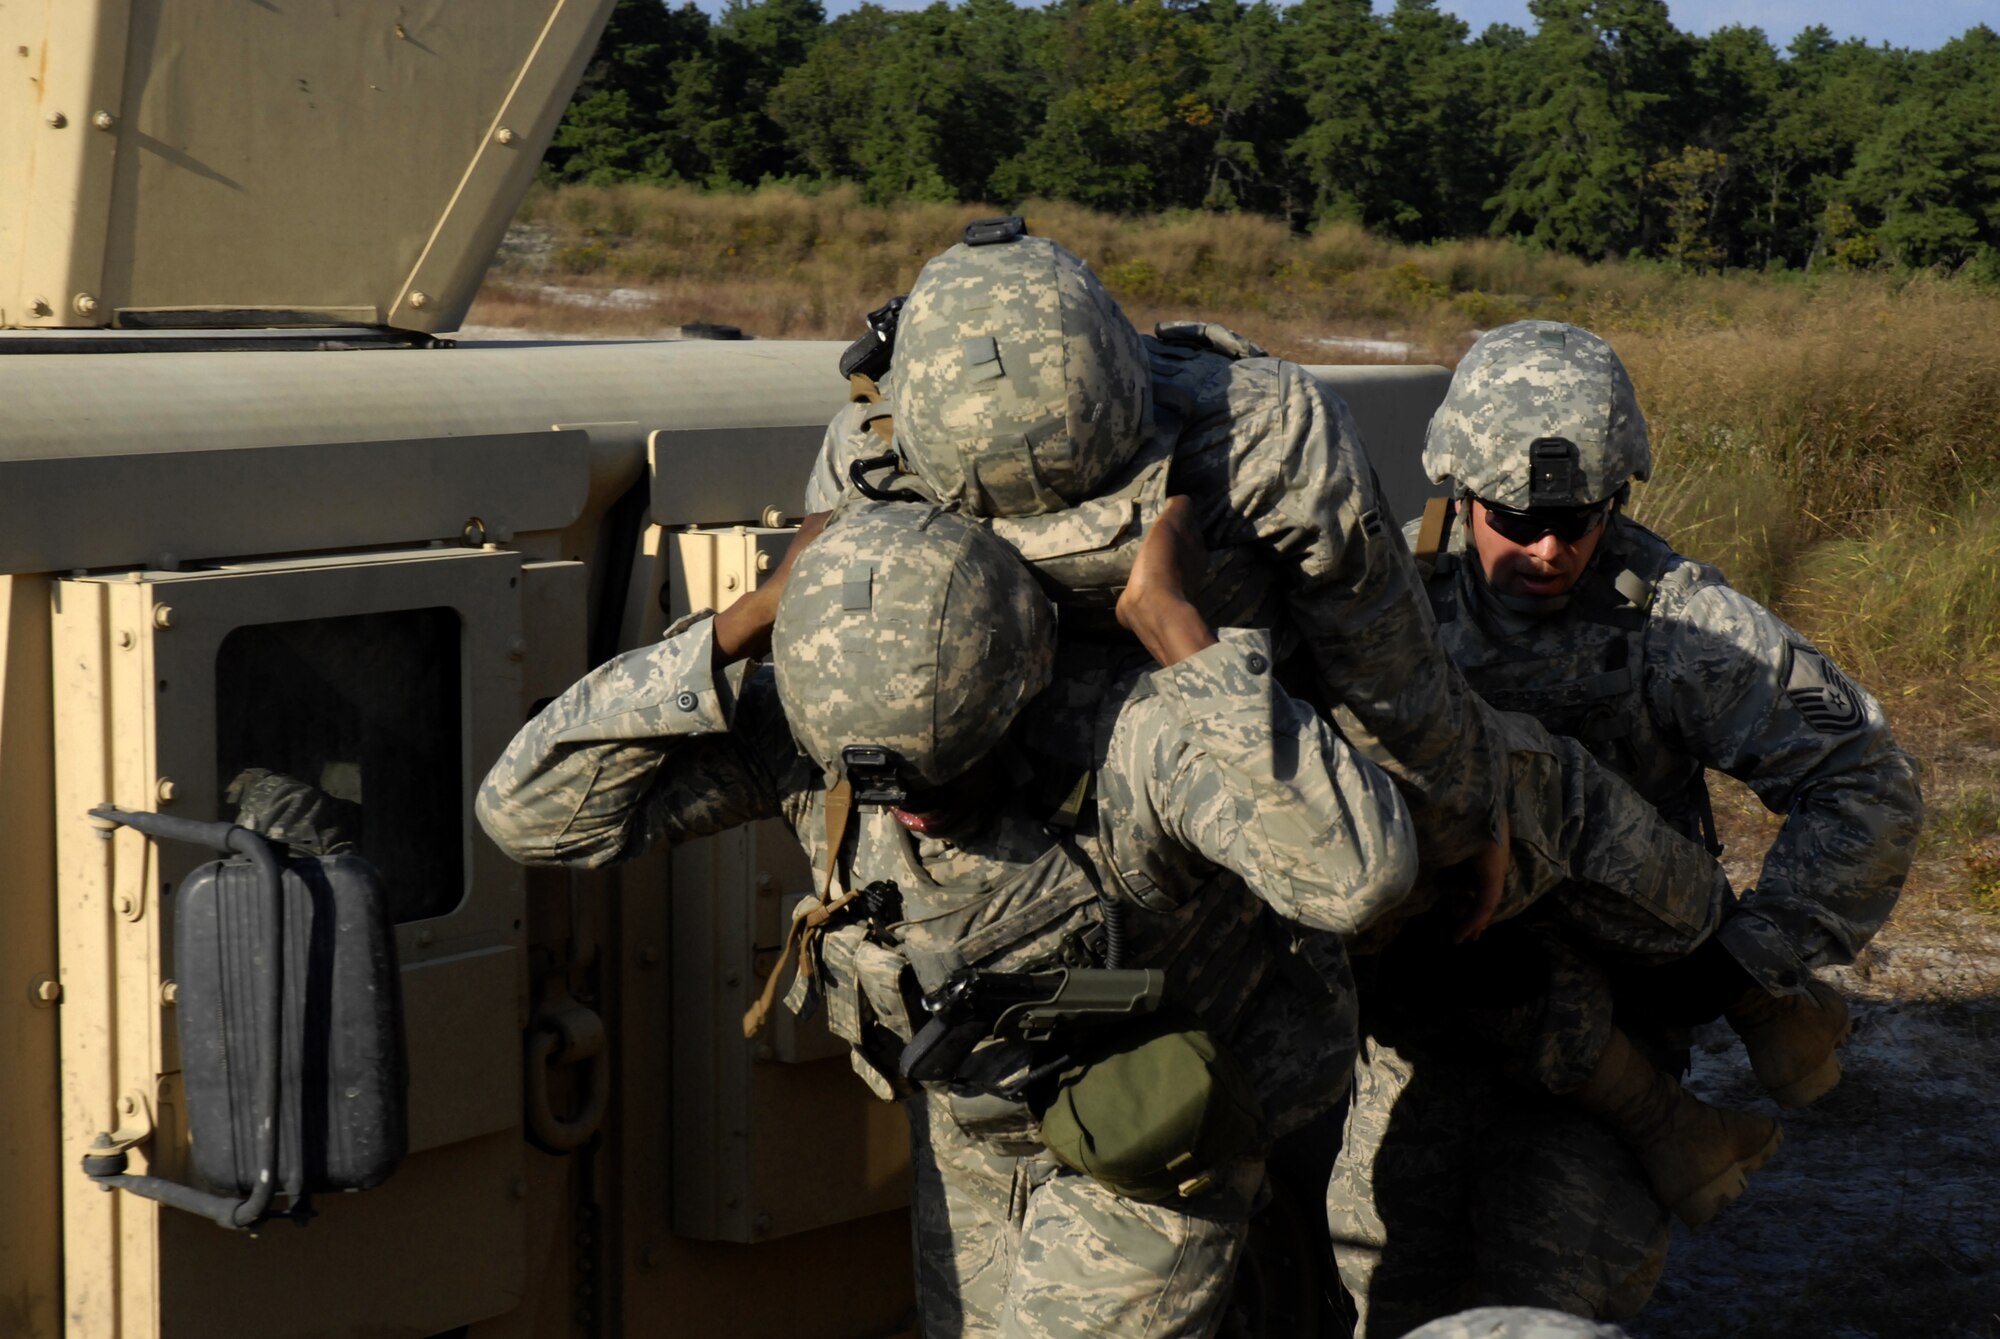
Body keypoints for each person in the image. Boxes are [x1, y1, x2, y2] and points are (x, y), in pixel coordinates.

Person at [478, 497, 1421, 1338]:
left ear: (1021, 689)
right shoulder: (824, 730)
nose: (909, 804)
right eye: (878, 782)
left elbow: (1360, 877)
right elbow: (527, 812)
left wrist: (1181, 634)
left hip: (1146, 1152)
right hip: (973, 1142)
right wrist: (750, 621)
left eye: (945, 767)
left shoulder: (1133, 735)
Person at [1326, 321, 1925, 1333]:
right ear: (1458, 490)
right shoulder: (1386, 604)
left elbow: (1864, 778)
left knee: (1537, 1301)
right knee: (1380, 1295)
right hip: (1416, 1032)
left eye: (1579, 517)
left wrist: (1750, 949)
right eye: (1515, 518)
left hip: (1606, 1031)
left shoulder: (1672, 625)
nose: (1550, 548)